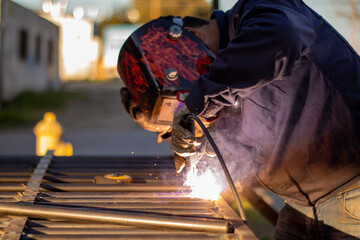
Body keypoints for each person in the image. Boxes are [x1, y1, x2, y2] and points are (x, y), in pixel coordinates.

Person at [118, 0, 360, 239]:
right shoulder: (228, 78)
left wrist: (198, 102)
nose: (197, 90)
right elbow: (226, 127)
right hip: (300, 206)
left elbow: (279, 37)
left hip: (351, 199)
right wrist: (169, 125)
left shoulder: (263, 11)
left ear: (191, 36)